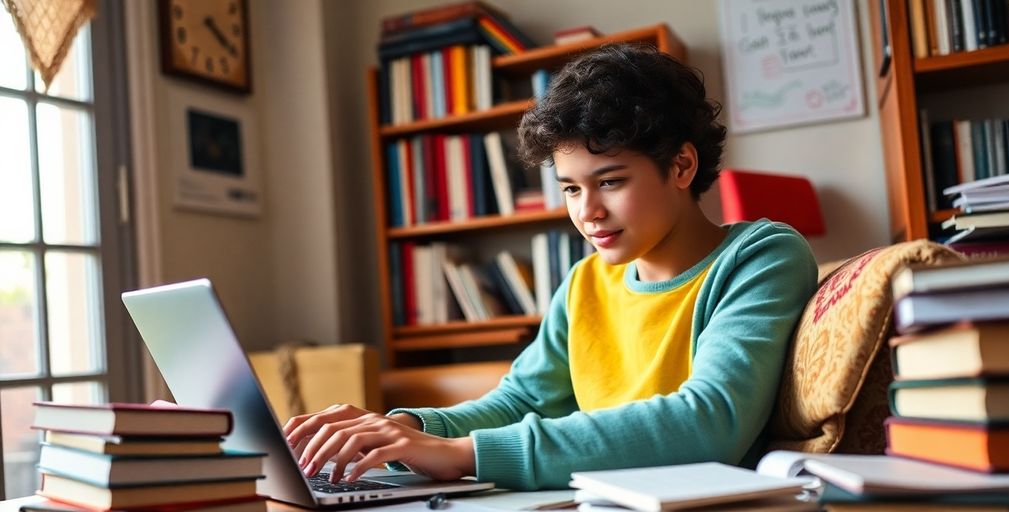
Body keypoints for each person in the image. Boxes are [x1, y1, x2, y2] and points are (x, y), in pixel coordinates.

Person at [283, 44, 818, 491]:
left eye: (610, 182)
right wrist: (407, 428)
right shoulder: (587, 281)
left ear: (681, 165)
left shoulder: (761, 255)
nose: (587, 213)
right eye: (570, 188)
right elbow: (520, 401)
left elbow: (710, 421)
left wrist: (465, 453)